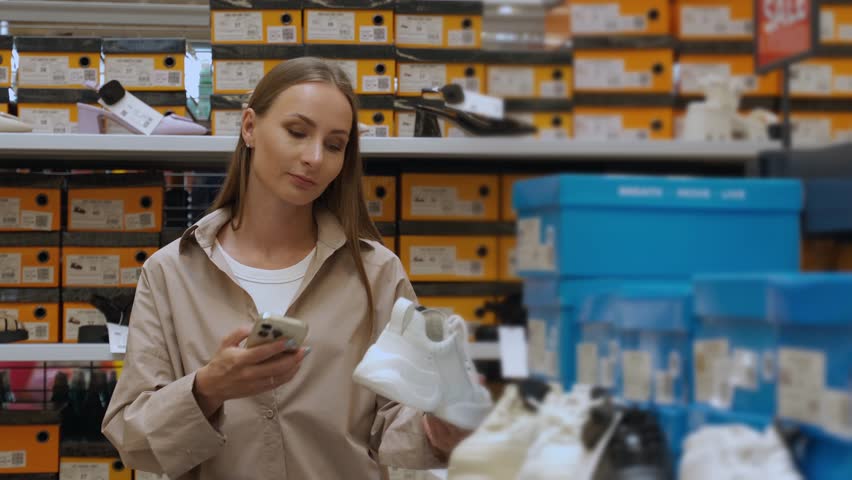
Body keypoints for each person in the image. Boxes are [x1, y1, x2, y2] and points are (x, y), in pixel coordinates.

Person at [103, 57, 470, 479]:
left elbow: (393, 423)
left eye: (335, 145)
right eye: (297, 132)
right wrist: (207, 390)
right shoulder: (170, 272)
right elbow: (135, 442)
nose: (314, 157)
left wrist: (439, 429)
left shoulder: (378, 273)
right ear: (249, 128)